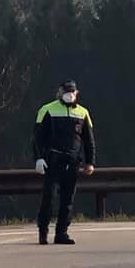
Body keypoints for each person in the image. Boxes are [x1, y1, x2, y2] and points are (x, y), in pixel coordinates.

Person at [33, 80, 96, 245]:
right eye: (66, 91)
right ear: (60, 92)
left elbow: (88, 140)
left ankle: (62, 233)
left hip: (73, 162)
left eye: (72, 91)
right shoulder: (47, 110)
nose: (69, 94)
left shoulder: (83, 112)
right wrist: (39, 158)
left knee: (68, 200)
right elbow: (38, 138)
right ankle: (43, 231)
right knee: (49, 197)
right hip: (52, 161)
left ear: (77, 93)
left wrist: (90, 162)